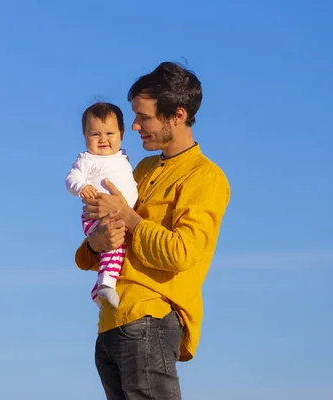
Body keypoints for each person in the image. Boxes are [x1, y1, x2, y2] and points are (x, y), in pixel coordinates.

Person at [76, 62, 231, 399]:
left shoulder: (205, 177)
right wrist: (96, 242)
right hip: (111, 323)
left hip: (150, 320)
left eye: (143, 117)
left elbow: (181, 253)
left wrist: (128, 218)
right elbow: (94, 247)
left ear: (177, 115)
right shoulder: (141, 168)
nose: (133, 126)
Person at [66, 102, 139, 308]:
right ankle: (106, 283)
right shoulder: (87, 159)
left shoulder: (122, 157)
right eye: (95, 134)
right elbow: (72, 177)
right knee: (114, 243)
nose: (103, 140)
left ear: (121, 134)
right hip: (96, 216)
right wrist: (81, 186)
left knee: (120, 248)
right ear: (85, 135)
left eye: (109, 133)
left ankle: (99, 289)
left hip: (121, 214)